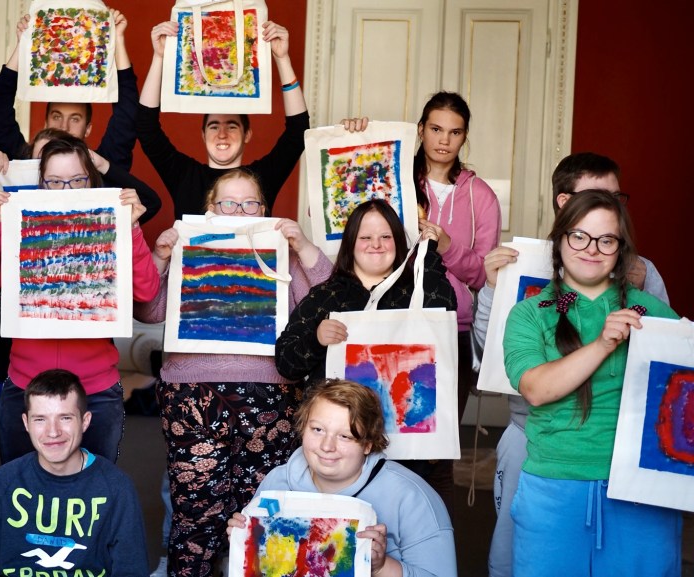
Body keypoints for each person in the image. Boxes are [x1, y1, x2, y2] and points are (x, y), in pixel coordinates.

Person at [477, 152, 672, 577]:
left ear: (620, 247)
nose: (592, 250)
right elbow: (535, 388)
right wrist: (603, 343)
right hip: (554, 485)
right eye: (580, 237)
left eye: (606, 241)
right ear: (560, 238)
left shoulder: (652, 309)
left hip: (642, 488)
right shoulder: (529, 312)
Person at [134, 168, 332, 577]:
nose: (239, 212)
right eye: (228, 203)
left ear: (264, 210)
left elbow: (329, 302)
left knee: (263, 514)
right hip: (192, 398)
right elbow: (149, 311)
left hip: (269, 397)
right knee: (195, 515)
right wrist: (161, 257)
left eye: (250, 204)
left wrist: (303, 245)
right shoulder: (187, 244)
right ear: (210, 209)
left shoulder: (283, 250)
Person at [0, 134, 159, 464]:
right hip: (26, 387)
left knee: (96, 487)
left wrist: (132, 229)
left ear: (92, 182)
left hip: (95, 390)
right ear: (41, 185)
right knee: (20, 487)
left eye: (77, 180)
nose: (66, 190)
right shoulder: (20, 225)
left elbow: (147, 293)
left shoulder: (111, 225)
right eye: (54, 181)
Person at [275, 199, 458, 509]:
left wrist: (427, 254)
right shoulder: (327, 295)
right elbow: (285, 363)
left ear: (399, 242)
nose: (376, 244)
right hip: (337, 450)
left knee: (400, 517)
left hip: (408, 446)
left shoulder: (418, 288)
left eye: (386, 236)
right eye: (366, 237)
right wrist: (316, 338)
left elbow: (446, 307)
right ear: (351, 244)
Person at [227, 379, 457, 577]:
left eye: (345, 436)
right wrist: (245, 543)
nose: (327, 446)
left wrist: (381, 567)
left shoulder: (412, 497)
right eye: (317, 430)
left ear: (367, 444)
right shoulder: (276, 483)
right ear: (303, 429)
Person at [0, 369, 148, 577]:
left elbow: (131, 571)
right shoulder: (3, 482)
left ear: (85, 421)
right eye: (40, 419)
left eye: (65, 418)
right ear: (26, 423)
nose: (53, 432)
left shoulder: (116, 487)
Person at [138, 19, 310, 217]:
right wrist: (159, 57)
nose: (222, 134)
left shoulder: (262, 178)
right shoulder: (185, 175)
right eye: (213, 126)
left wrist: (282, 58)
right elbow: (146, 127)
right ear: (203, 135)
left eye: (232, 126)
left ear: (247, 134)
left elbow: (298, 132)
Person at [412, 91, 501, 421]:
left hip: (454, 328)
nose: (444, 140)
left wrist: (447, 245)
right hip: (393, 318)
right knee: (386, 432)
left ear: (464, 136)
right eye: (436, 129)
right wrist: (359, 140)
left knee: (444, 437)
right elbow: (337, 220)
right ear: (421, 129)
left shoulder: (482, 196)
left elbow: (484, 276)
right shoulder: (395, 181)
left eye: (455, 132)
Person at [0, 10, 139, 170]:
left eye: (75, 119)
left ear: (88, 129)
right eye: (56, 116)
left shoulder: (101, 168)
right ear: (46, 123)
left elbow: (127, 117)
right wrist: (23, 44)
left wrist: (118, 39)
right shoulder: (23, 163)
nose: (64, 127)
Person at [550, 152, 668, 302]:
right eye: (596, 197)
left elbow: (662, 316)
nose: (611, 206)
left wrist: (637, 295)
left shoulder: (642, 271)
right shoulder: (528, 262)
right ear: (565, 202)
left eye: (615, 197)